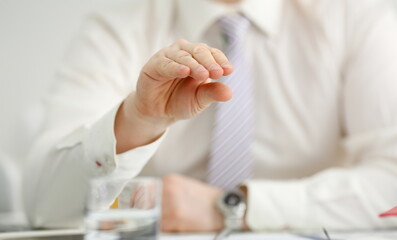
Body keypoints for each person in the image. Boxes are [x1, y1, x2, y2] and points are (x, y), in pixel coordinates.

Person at [24, 0, 397, 232]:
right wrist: (138, 119)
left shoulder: (359, 19)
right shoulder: (115, 30)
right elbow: (44, 206)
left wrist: (235, 208)